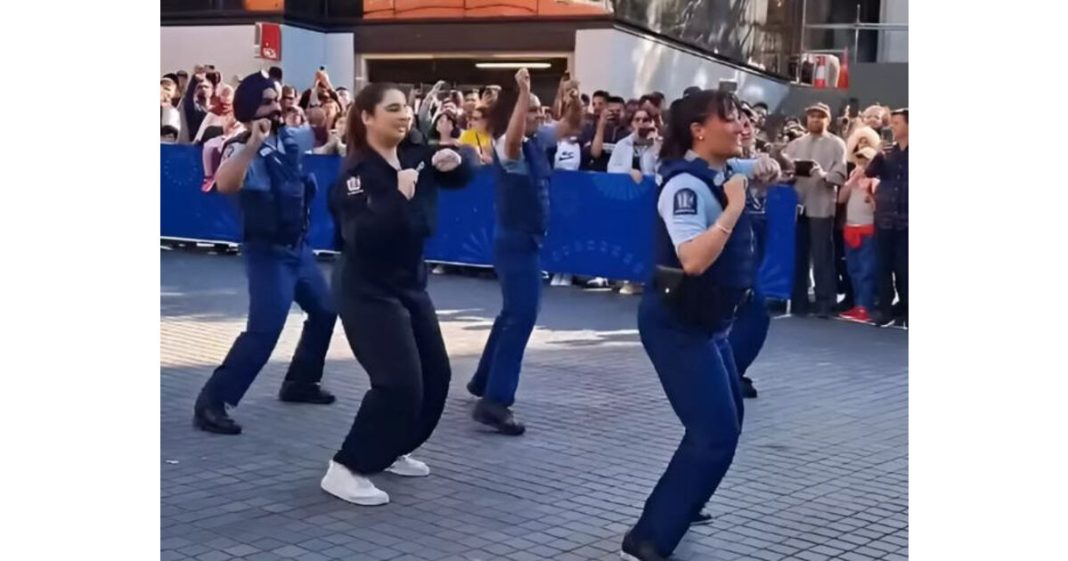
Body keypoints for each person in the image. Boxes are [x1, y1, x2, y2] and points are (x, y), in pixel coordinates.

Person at [321, 83, 474, 506]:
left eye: (406, 108)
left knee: (436, 375)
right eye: (393, 108)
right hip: (367, 287)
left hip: (410, 283)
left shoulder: (414, 155)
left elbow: (462, 174)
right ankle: (347, 466)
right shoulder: (356, 175)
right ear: (367, 117)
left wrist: (455, 158)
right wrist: (397, 195)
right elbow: (361, 235)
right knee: (397, 384)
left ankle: (391, 448)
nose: (404, 115)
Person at [620, 89, 755, 561]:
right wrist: (735, 208)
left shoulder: (722, 174)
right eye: (731, 118)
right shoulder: (685, 187)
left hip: (708, 322)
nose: (741, 126)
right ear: (699, 130)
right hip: (677, 323)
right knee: (714, 433)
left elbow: (754, 170)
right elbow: (693, 259)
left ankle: (683, 500)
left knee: (726, 422)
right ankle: (648, 539)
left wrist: (760, 173)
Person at [192, 71, 338, 435]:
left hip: (297, 248)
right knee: (264, 330)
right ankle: (213, 401)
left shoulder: (286, 138)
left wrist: (325, 93)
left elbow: (321, 127)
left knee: (325, 310)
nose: (276, 108)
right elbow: (226, 184)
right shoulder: (238, 146)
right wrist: (253, 144)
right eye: (268, 102)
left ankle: (300, 382)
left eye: (278, 100)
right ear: (249, 108)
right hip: (267, 252)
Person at [465, 68, 584, 435]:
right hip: (515, 243)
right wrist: (524, 92)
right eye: (532, 110)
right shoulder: (507, 144)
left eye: (539, 110)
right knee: (523, 315)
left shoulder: (538, 140)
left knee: (511, 314)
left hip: (524, 241)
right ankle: (496, 402)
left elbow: (571, 126)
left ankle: (484, 381)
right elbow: (514, 139)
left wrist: (575, 100)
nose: (540, 116)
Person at [783, 103, 847, 318]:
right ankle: (799, 302)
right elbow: (784, 171)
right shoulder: (794, 144)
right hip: (798, 205)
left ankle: (825, 302)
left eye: (820, 117)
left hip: (821, 206)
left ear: (827, 120)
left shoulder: (837, 144)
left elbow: (841, 175)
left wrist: (822, 174)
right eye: (812, 116)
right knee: (797, 256)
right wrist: (790, 173)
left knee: (822, 256)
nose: (815, 120)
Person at [866, 108, 908, 327]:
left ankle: (906, 309)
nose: (893, 127)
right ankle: (885, 308)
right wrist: (878, 153)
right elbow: (870, 172)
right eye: (891, 123)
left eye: (898, 123)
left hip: (906, 219)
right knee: (883, 265)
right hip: (884, 217)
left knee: (905, 266)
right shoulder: (888, 152)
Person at [838, 146, 880, 322]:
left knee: (866, 270)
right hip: (850, 228)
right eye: (859, 160)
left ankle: (865, 306)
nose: (862, 164)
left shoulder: (875, 181)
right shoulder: (853, 180)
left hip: (867, 230)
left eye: (865, 161)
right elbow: (840, 199)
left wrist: (869, 192)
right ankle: (858, 305)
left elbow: (877, 206)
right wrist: (852, 179)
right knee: (853, 269)